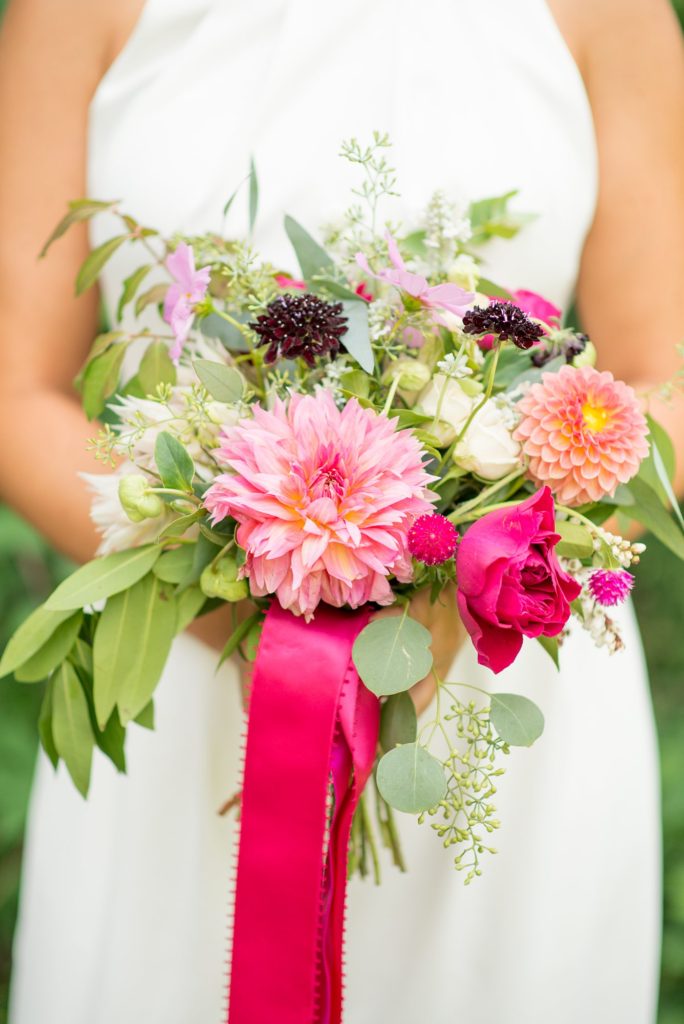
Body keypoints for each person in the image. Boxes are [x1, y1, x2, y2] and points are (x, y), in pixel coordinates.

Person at [1, 1, 683, 1021]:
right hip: (185, 673)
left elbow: (662, 376)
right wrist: (230, 582)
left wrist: (477, 575)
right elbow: (16, 387)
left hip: (500, 670)